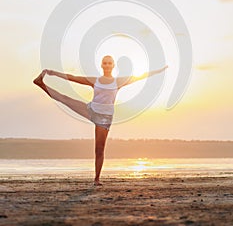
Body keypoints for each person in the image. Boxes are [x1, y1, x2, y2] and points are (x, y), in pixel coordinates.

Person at [33, 55, 168, 186]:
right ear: (102, 65)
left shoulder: (118, 81)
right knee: (65, 99)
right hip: (91, 110)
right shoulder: (95, 80)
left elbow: (141, 76)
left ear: (113, 66)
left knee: (99, 149)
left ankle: (96, 179)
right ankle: (40, 83)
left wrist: (159, 71)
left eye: (110, 63)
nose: (107, 65)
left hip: (105, 118)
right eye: (105, 63)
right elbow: (73, 78)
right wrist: (54, 73)